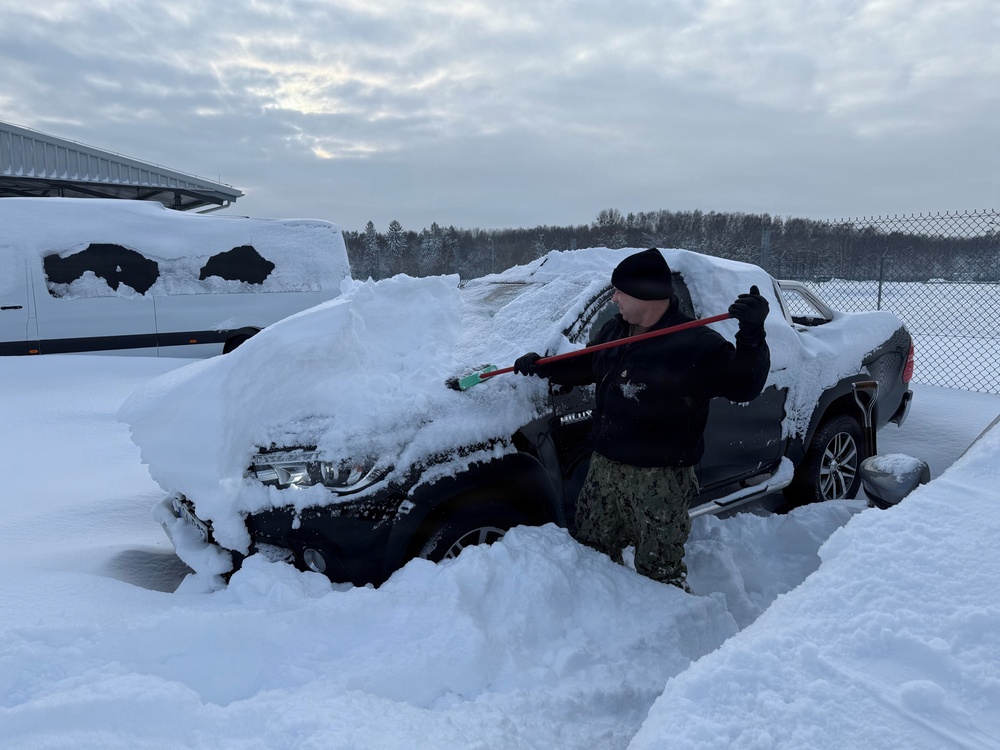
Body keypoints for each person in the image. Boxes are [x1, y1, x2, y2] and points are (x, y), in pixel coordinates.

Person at [513, 248, 770, 591]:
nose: (615, 297)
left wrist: (752, 336)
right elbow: (591, 364)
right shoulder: (616, 329)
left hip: (659, 480)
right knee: (594, 557)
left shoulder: (694, 343)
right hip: (604, 468)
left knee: (658, 571)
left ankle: (673, 632)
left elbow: (744, 385)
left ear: (646, 295)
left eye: (621, 291)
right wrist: (544, 368)